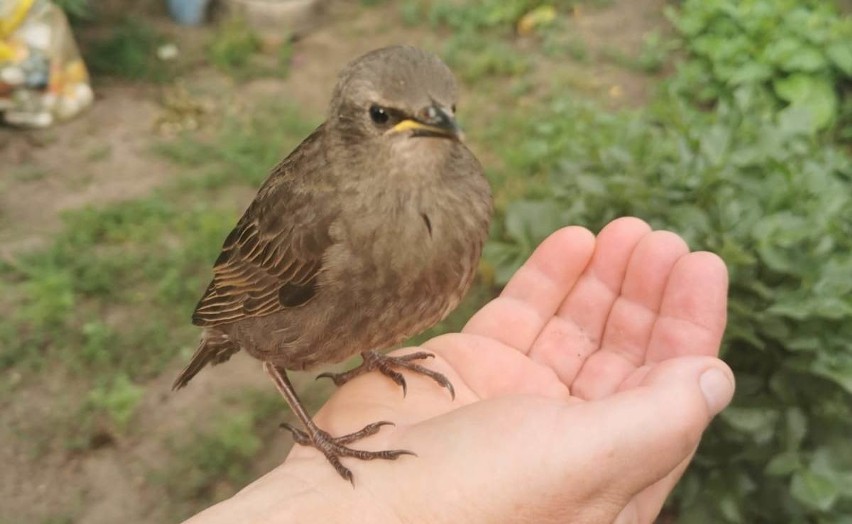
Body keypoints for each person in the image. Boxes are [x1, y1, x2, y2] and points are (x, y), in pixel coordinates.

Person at [185, 217, 734, 524]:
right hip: (261, 315)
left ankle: (366, 360)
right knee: (281, 350)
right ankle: (318, 434)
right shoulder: (320, 223)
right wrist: (322, 446)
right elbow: (252, 277)